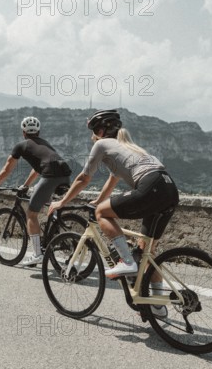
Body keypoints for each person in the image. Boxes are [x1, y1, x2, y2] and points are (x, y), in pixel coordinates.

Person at [48, 109, 179, 316]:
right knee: (146, 253)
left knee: (101, 213)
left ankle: (126, 262)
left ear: (101, 130)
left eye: (94, 132)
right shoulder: (130, 148)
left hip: (151, 186)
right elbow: (112, 180)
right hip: (169, 189)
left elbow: (84, 178)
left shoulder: (102, 144)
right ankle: (157, 305)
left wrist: (62, 202)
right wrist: (98, 200)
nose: (93, 137)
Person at [0, 116, 72, 266]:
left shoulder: (21, 146)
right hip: (65, 175)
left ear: (23, 132)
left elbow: (7, 169)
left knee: (31, 214)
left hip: (50, 176)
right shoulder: (44, 143)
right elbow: (37, 168)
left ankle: (37, 254)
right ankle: (55, 235)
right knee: (48, 205)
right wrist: (26, 184)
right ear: (38, 132)